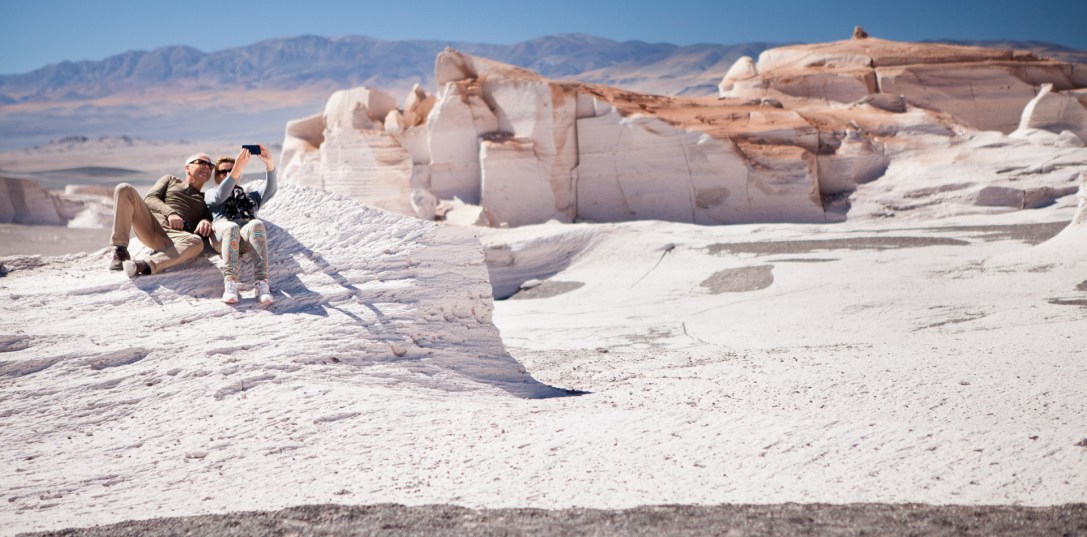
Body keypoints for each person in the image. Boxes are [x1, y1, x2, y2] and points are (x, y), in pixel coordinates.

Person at [108, 153, 215, 278]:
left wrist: (206, 221)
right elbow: (150, 198)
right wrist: (171, 213)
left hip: (173, 238)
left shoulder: (206, 197)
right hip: (151, 225)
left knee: (196, 242)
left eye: (210, 166)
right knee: (124, 188)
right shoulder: (170, 180)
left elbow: (212, 216)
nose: (207, 167)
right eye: (202, 162)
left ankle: (144, 265)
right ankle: (120, 251)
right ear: (187, 168)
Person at [205, 145, 278, 305]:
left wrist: (269, 163)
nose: (227, 174)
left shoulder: (250, 197)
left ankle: (262, 284)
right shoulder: (211, 193)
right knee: (231, 227)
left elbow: (271, 189)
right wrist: (236, 169)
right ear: (216, 176)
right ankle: (230, 283)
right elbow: (221, 195)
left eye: (230, 170)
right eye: (223, 172)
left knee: (256, 224)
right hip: (221, 237)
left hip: (243, 240)